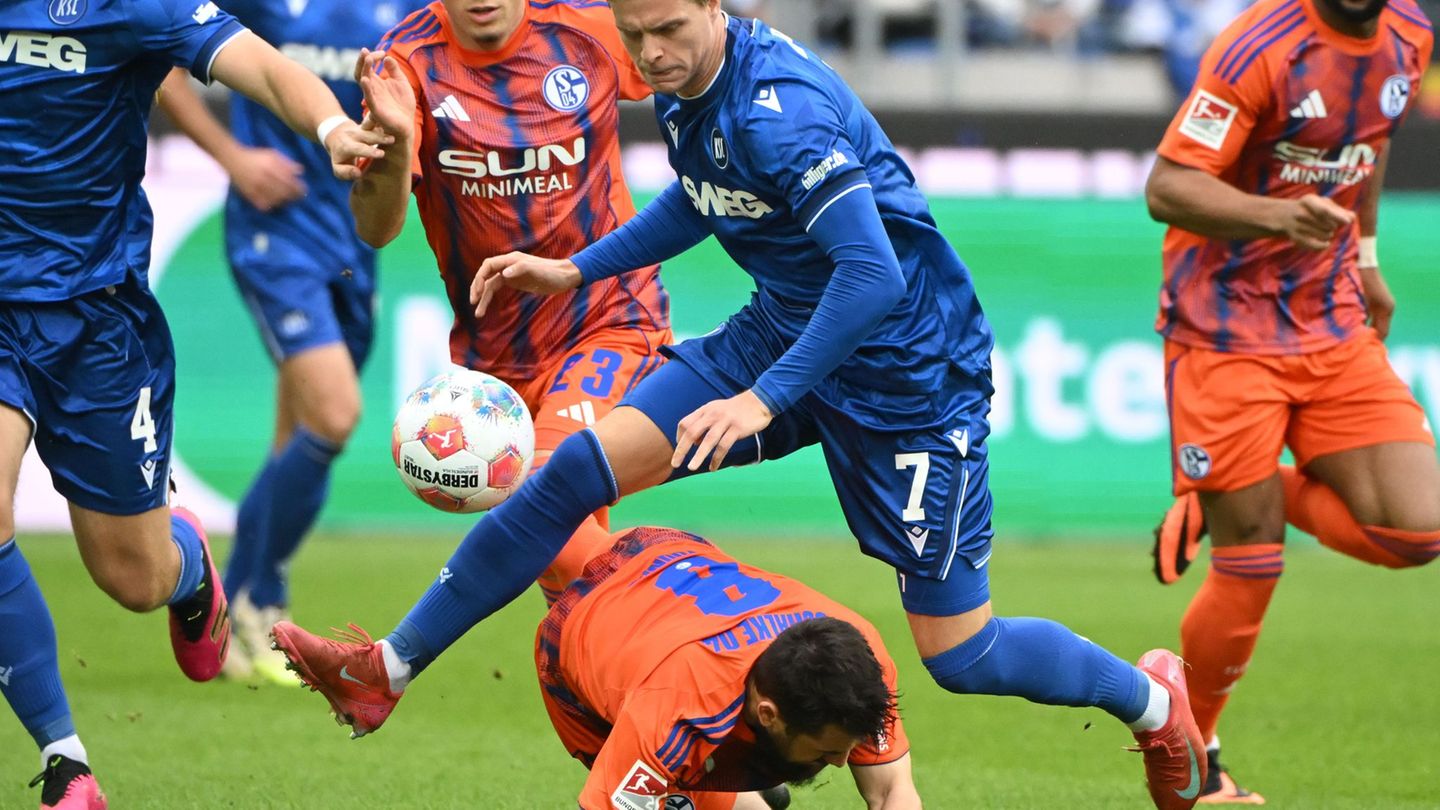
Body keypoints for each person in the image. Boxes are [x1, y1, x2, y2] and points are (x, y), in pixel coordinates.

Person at [273, 2, 1206, 807]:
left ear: (716, 8)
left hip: (906, 374)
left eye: (671, 29)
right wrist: (577, 266)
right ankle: (385, 671)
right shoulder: (685, 84)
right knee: (569, 477)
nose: (651, 54)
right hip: (783, 330)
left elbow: (873, 274)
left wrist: (765, 401)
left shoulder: (781, 115)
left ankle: (1155, 702)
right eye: (636, 35)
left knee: (962, 657)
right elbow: (700, 197)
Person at [0, 1, 388, 806]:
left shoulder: (132, 4)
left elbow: (271, 67)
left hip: (95, 321)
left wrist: (330, 131)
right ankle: (66, 762)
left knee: (131, 578)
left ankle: (186, 570)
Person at [1144, 0, 1434, 800]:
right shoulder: (1257, 47)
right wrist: (1279, 216)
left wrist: (1367, 260)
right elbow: (1167, 187)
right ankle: (1195, 757)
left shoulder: (1411, 36)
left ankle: (1223, 493)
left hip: (1329, 319)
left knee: (1420, 532)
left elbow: (1361, 157)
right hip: (1222, 329)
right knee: (1253, 561)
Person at [345, 0, 673, 603]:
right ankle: (627, 675)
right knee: (560, 569)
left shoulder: (590, 32)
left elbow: (693, 59)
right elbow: (375, 228)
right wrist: (392, 147)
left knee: (540, 508)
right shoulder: (406, 64)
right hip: (496, 360)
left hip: (611, 319)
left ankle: (696, 623)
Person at [156, 0, 429, 685]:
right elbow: (163, 66)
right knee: (336, 415)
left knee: (298, 438)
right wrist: (233, 156)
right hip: (274, 235)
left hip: (354, 242)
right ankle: (260, 597)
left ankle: (229, 605)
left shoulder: (406, 10)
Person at [282, 526, 918, 808]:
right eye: (835, 750)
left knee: (551, 516)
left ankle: (386, 668)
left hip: (671, 559)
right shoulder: (673, 720)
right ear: (768, 710)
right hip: (579, 650)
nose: (846, 760)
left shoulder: (859, 660)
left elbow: (891, 792)